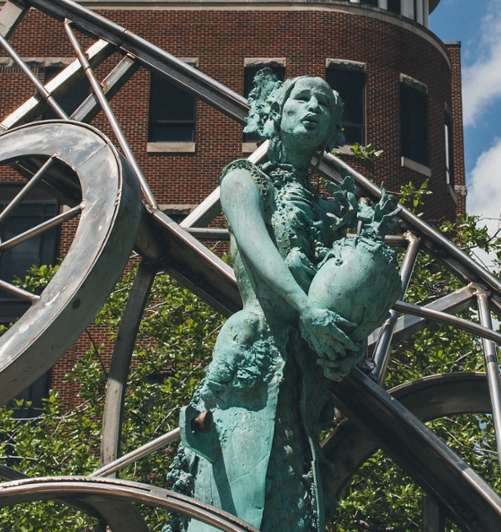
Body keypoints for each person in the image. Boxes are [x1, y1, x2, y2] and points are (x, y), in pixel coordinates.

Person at [168, 70, 400, 532]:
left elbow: (335, 295)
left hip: (303, 376)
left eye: (324, 104)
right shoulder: (242, 179)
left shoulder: (324, 209)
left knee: (294, 506)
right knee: (237, 494)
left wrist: (342, 342)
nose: (313, 107)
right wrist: (307, 309)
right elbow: (260, 251)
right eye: (302, 98)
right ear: (276, 112)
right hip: (252, 347)